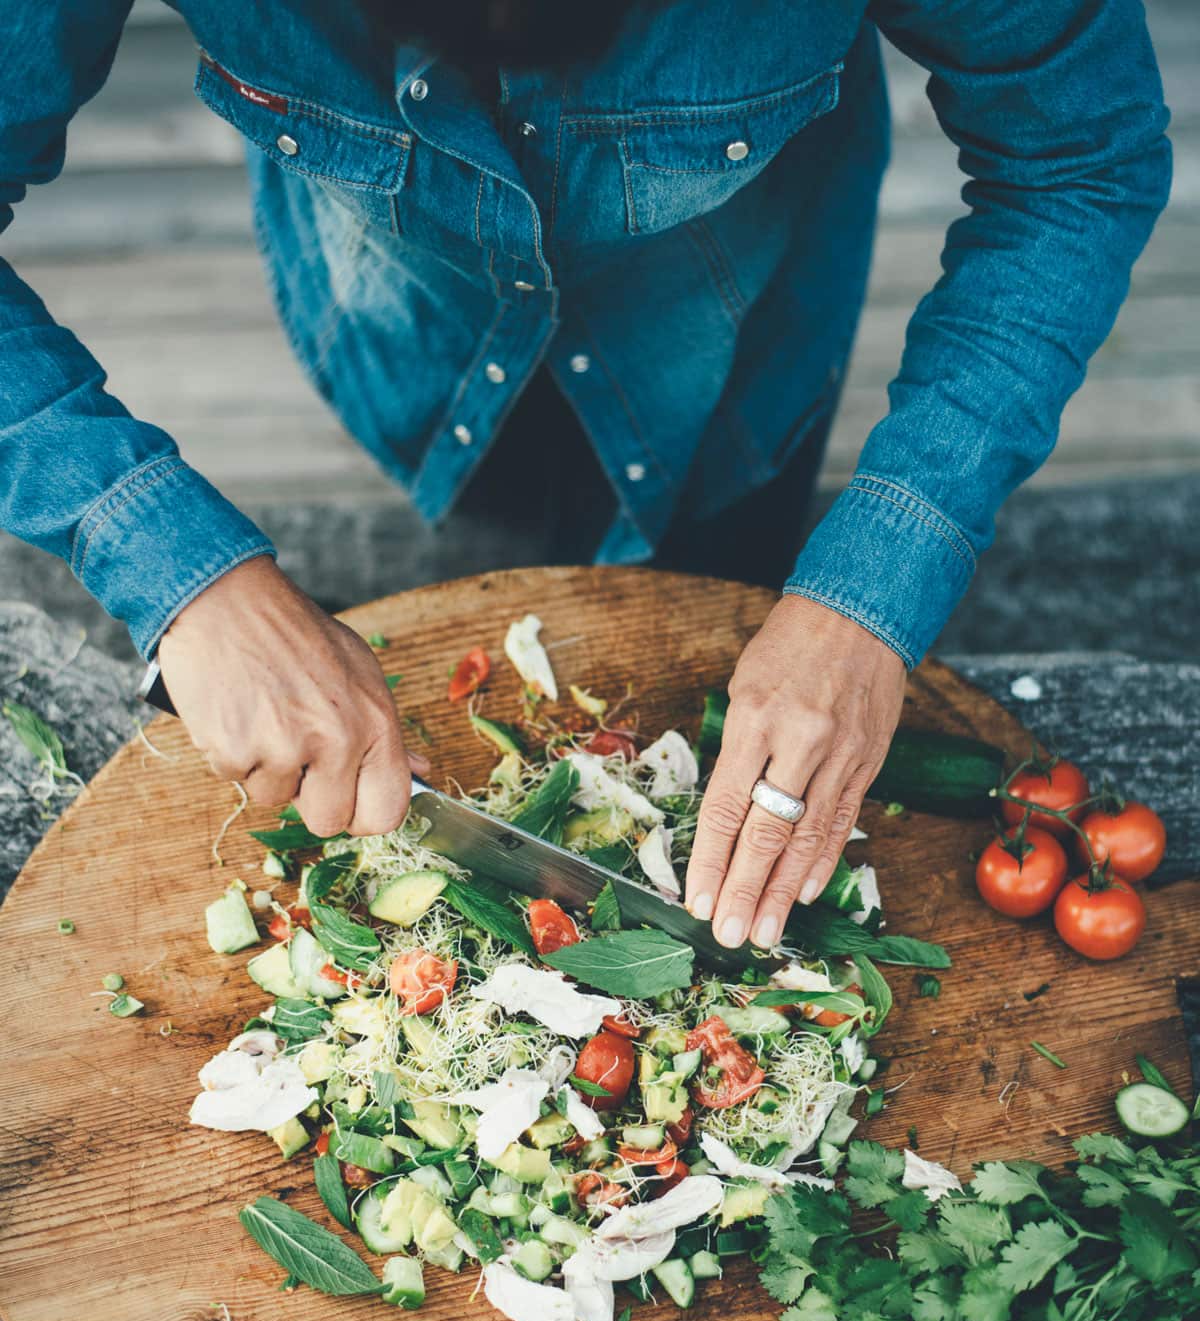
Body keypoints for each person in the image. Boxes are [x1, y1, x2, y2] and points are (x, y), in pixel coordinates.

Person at [0, 0, 1170, 951]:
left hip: (741, 365)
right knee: (492, 570)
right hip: (422, 363)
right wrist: (178, 575)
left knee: (734, 585)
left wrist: (878, 577)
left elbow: (1079, 153)